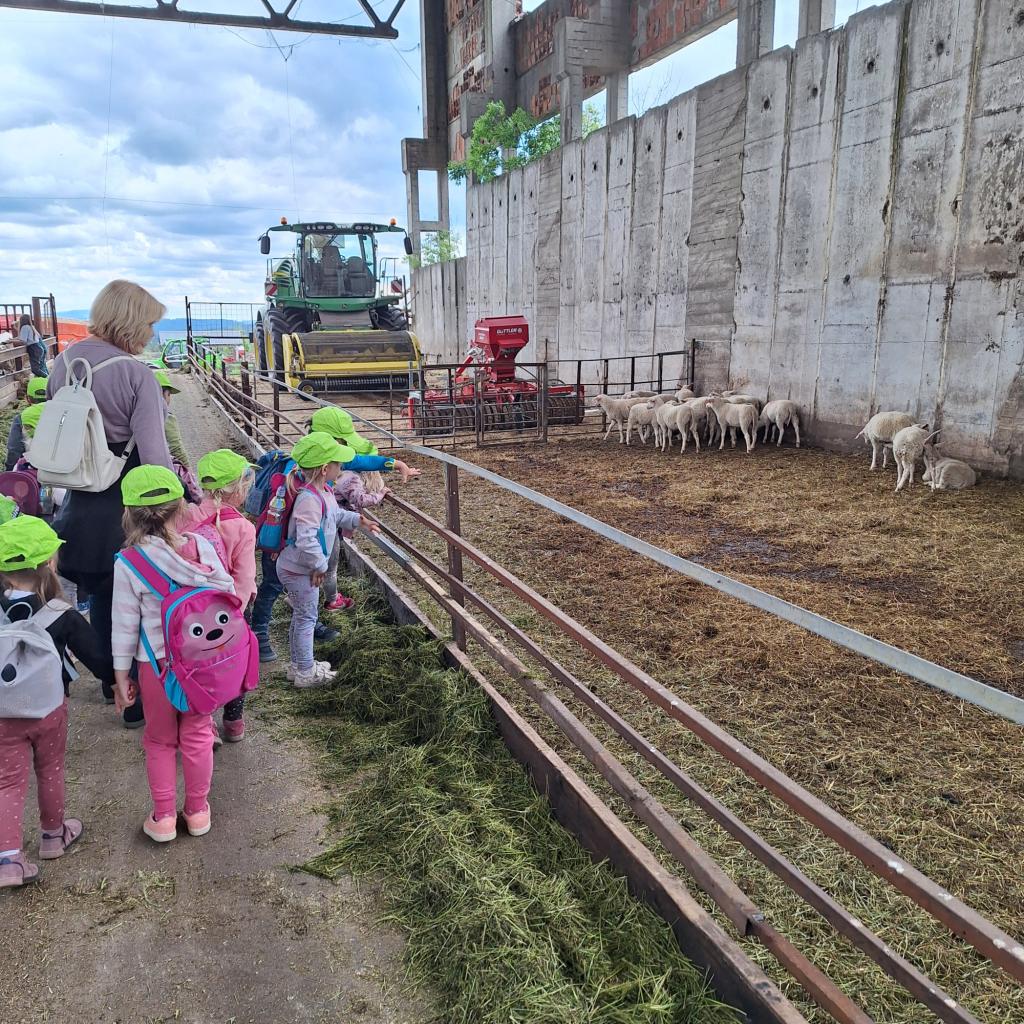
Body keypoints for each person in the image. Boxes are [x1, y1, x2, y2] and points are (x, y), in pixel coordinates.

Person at [47, 280, 172, 728]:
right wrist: (177, 501)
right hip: (125, 497)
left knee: (101, 590)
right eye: (149, 324)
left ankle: (109, 683)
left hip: (78, 494)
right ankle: (136, 696)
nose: (151, 334)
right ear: (131, 321)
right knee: (137, 596)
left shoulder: (64, 363)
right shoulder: (137, 375)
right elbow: (155, 456)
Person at [111, 465, 234, 843]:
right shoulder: (201, 547)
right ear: (180, 507)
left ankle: (163, 817)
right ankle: (197, 811)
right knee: (197, 735)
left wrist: (120, 676)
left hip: (156, 667)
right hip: (200, 662)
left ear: (129, 513)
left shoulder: (128, 562)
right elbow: (228, 592)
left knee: (160, 740)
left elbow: (124, 625)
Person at [0, 516, 114, 888]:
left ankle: (8, 859)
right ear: (50, 563)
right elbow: (97, 657)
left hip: (3, 714)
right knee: (50, 770)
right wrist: (118, 683)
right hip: (49, 708)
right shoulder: (60, 614)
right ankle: (53, 836)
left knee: (7, 782)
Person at [275, 433, 379, 688]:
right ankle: (305, 672)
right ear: (324, 469)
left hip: (301, 566)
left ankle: (299, 665)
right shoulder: (309, 500)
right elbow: (306, 539)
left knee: (302, 616)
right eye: (338, 463)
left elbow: (334, 516)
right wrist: (320, 566)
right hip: (300, 569)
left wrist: (359, 520)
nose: (341, 467)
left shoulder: (324, 491)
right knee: (307, 619)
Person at [304, 406, 420, 612]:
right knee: (323, 567)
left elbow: (361, 461)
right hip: (318, 532)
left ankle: (307, 599)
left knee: (312, 569)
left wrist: (396, 464)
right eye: (342, 442)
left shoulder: (308, 460)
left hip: (316, 532)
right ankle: (313, 606)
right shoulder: (315, 480)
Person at [179, 449, 256, 743]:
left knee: (200, 665)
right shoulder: (243, 527)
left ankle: (205, 723)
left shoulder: (186, 516)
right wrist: (239, 609)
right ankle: (234, 721)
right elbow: (244, 577)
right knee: (234, 662)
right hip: (230, 608)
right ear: (237, 489)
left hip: (194, 608)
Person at [4, 376, 48, 471]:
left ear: (27, 399)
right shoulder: (64, 413)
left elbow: (14, 449)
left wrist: (9, 472)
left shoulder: (22, 417)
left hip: (34, 468)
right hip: (63, 469)